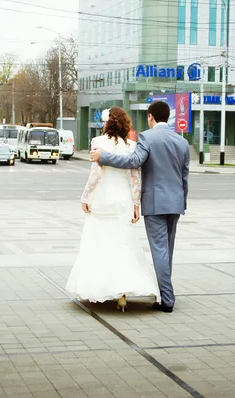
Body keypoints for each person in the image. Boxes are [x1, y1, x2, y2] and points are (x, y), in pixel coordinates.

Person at [90, 101, 190, 313]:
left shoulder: (147, 137)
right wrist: (183, 201)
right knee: (167, 251)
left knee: (160, 251)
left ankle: (168, 299)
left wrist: (103, 157)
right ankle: (166, 293)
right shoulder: (181, 141)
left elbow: (134, 162)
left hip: (155, 203)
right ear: (168, 117)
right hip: (176, 203)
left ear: (151, 117)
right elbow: (184, 177)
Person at [65, 107, 159, 312]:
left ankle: (99, 287)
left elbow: (95, 174)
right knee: (123, 244)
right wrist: (136, 203)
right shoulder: (132, 146)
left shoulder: (98, 143)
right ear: (125, 123)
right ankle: (122, 295)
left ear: (107, 122)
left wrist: (85, 196)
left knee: (98, 244)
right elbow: (135, 178)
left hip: (102, 199)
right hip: (123, 200)